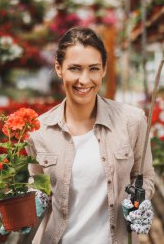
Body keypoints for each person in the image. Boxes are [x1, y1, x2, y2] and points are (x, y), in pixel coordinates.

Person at [26, 27, 155, 244]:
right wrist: (29, 203)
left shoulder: (132, 121)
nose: (84, 80)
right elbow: (37, 183)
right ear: (59, 68)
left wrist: (140, 199)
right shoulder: (40, 130)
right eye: (75, 69)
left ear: (104, 69)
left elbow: (145, 175)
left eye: (93, 69)